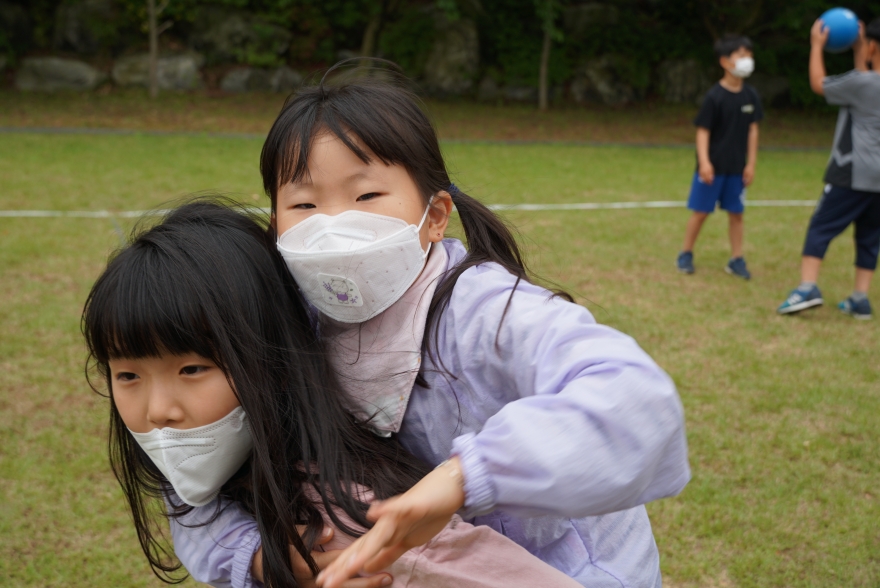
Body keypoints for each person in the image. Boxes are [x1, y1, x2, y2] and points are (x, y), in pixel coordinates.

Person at [171, 71, 690, 588]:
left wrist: (466, 477)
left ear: (436, 215)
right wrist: (265, 559)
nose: (333, 225)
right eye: (304, 204)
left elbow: (634, 398)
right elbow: (191, 472)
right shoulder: (279, 313)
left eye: (368, 195)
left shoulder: (487, 311)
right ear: (275, 224)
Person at [81, 199, 585, 588]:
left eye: (192, 369)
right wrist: (253, 558)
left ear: (272, 362)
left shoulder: (350, 522)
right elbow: (192, 507)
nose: (158, 411)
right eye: (127, 376)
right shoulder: (236, 479)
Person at [777, 18, 880, 319]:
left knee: (821, 227)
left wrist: (816, 45)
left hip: (852, 171)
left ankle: (807, 288)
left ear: (873, 46)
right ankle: (860, 299)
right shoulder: (867, 81)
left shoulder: (862, 83)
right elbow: (867, 72)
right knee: (870, 236)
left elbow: (818, 84)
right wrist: (863, 46)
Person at [677, 34, 763, 279]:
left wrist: (752, 164)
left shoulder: (751, 96)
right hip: (713, 169)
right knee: (701, 211)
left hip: (737, 169)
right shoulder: (714, 96)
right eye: (741, 55)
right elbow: (703, 130)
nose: (748, 60)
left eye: (750, 55)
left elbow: (753, 130)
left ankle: (736, 259)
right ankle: (685, 254)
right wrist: (704, 162)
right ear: (725, 62)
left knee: (737, 214)